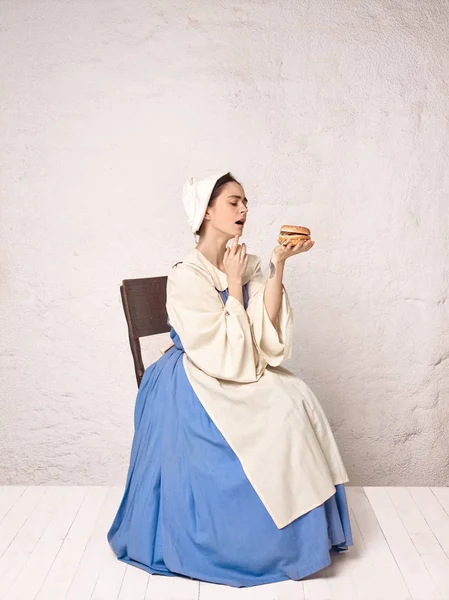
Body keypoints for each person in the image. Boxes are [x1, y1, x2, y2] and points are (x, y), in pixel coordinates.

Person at [107, 171, 353, 588]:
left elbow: (262, 332)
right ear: (207, 211)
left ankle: (297, 539)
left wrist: (278, 266)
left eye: (245, 202)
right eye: (233, 202)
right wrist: (234, 284)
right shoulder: (188, 274)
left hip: (235, 362)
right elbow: (218, 347)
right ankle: (254, 544)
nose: (243, 209)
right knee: (275, 409)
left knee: (294, 396)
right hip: (194, 373)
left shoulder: (246, 259)